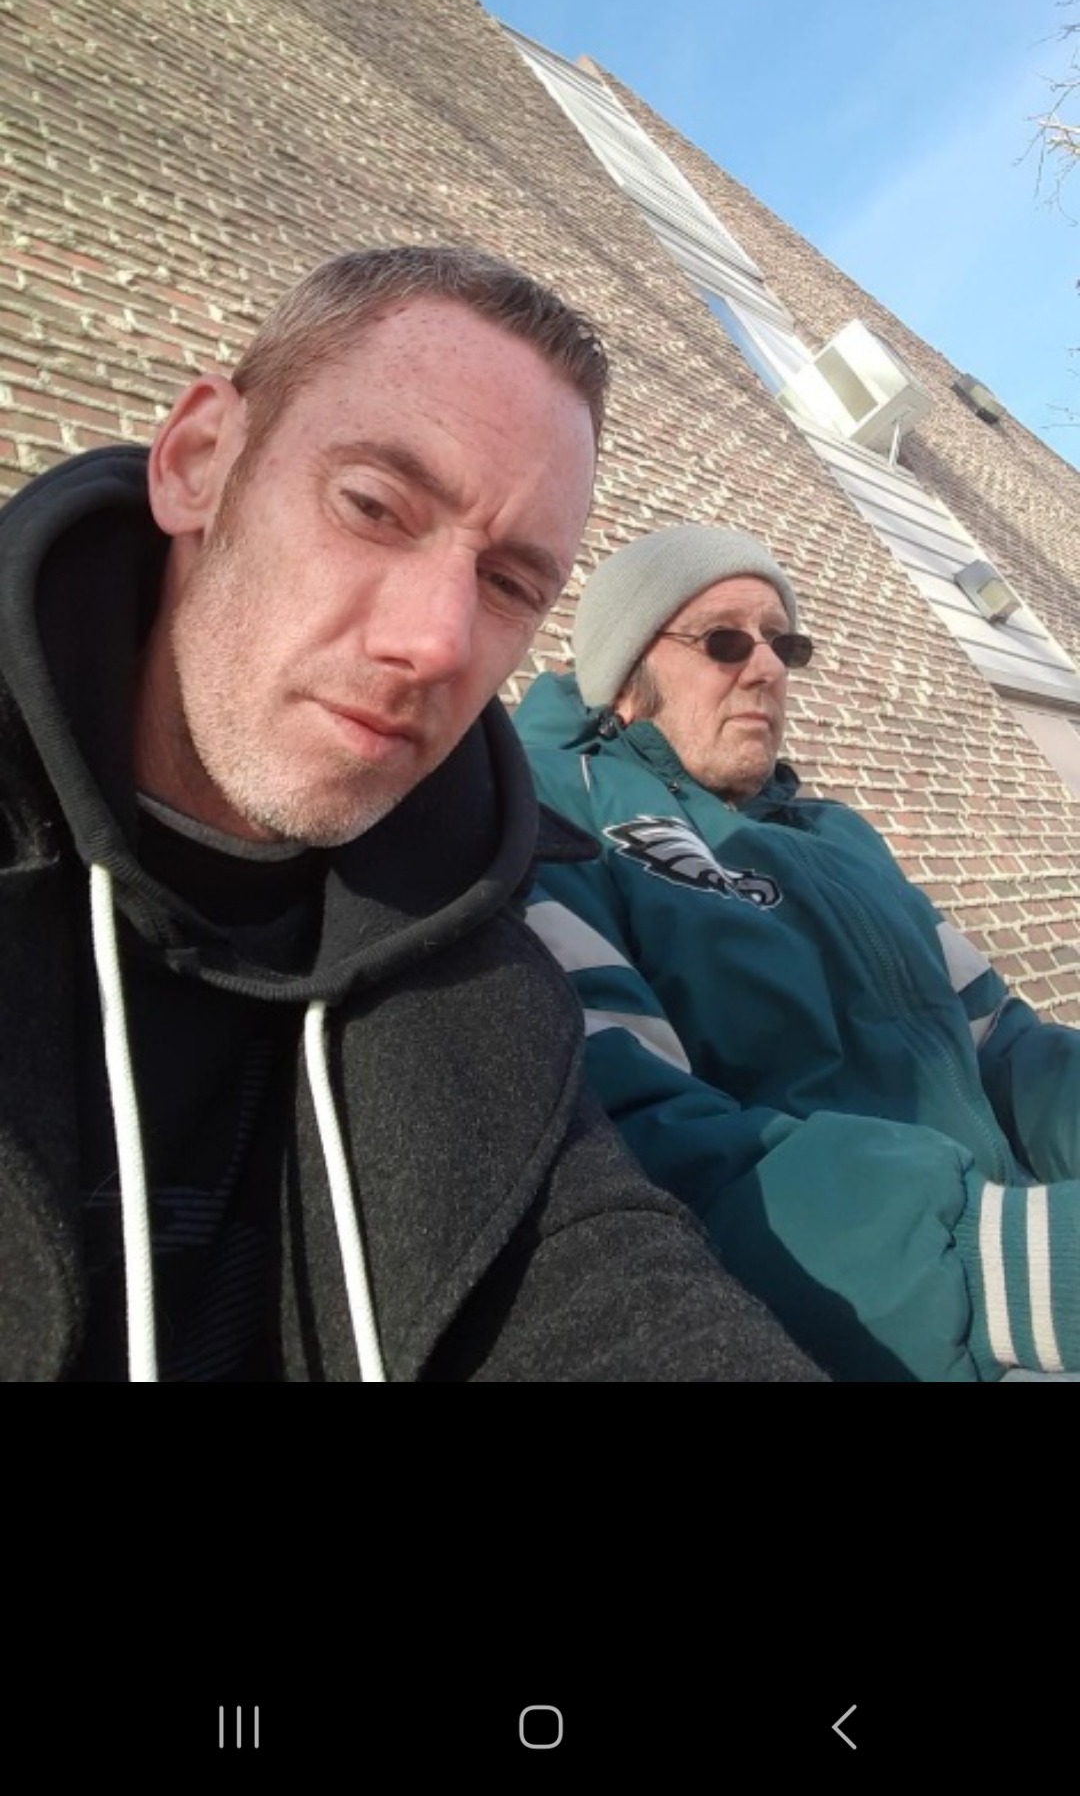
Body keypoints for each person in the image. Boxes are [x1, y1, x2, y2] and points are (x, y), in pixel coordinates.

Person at [0, 247, 824, 1383]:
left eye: (510, 584)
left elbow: (601, 1277)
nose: (437, 641)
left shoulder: (475, 939)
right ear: (197, 463)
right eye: (375, 506)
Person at [514, 522, 1080, 1383]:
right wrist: (1005, 1267)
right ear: (624, 677)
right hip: (875, 1323)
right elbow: (625, 1131)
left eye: (784, 643)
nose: (768, 668)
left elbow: (1002, 1044)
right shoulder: (555, 813)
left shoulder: (840, 837)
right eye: (725, 641)